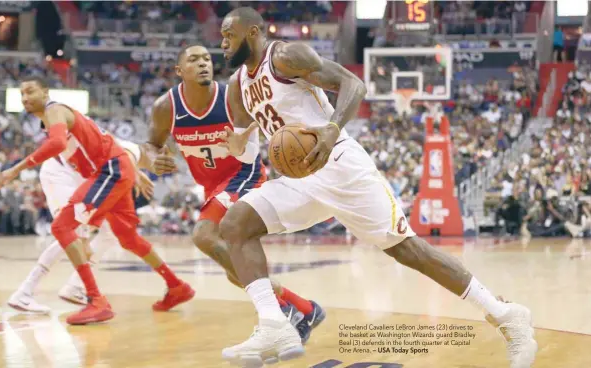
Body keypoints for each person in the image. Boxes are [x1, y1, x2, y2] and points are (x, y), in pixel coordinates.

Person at [217, 7, 537, 367]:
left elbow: (354, 84)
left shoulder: (286, 56)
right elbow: (247, 141)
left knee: (408, 250)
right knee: (234, 226)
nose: (224, 43)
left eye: (230, 35)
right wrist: (237, 147)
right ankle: (275, 324)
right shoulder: (238, 86)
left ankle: (507, 316)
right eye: (222, 37)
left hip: (338, 164)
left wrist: (332, 127)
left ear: (254, 32)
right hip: (300, 178)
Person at [139, 44, 324, 343]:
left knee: (203, 235)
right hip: (212, 187)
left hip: (242, 175)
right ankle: (305, 308)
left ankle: (280, 310)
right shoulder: (166, 107)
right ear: (179, 71)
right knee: (235, 271)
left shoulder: (230, 96)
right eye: (194, 59)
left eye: (206, 59)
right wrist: (151, 160)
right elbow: (149, 145)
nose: (203, 64)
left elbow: (258, 133)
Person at [0, 76, 194, 325]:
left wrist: (15, 169)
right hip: (110, 172)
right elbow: (107, 145)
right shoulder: (61, 119)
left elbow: (58, 143)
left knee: (62, 227)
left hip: (108, 172)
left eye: (30, 92)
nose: (25, 98)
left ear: (45, 92)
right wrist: (135, 173)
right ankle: (176, 285)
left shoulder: (54, 109)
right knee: (127, 237)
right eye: (21, 94)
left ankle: (95, 299)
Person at [7, 137, 154, 313]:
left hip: (78, 176)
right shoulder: (132, 150)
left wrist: (137, 173)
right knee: (71, 232)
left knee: (109, 233)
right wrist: (84, 236)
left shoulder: (127, 160)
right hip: (60, 173)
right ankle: (24, 292)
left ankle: (75, 286)